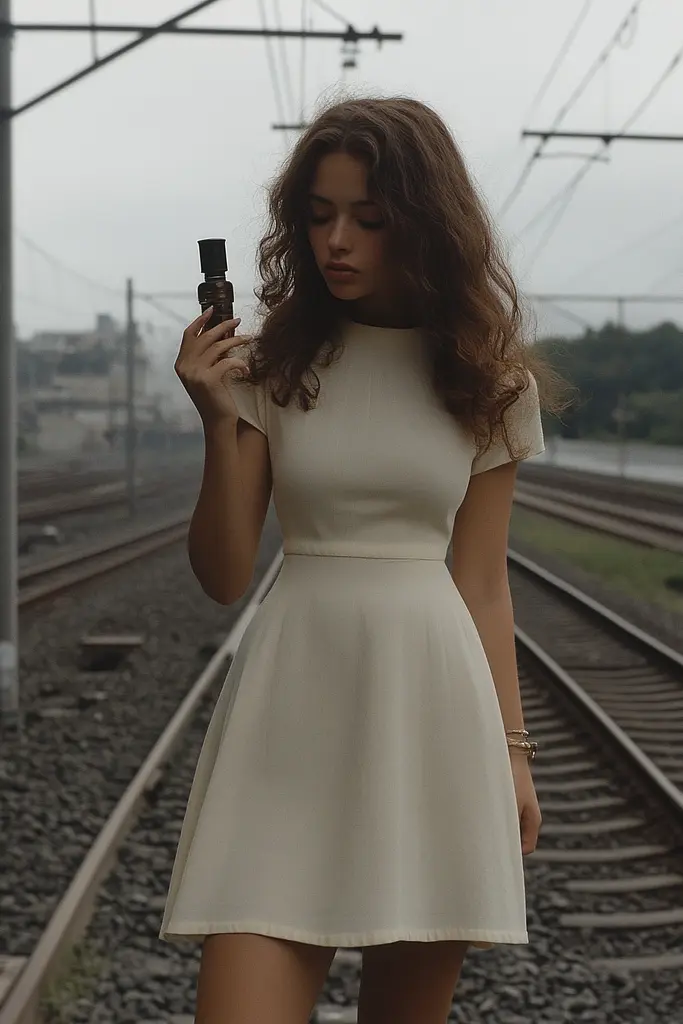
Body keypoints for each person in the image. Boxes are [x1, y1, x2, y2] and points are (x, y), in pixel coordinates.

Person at [163, 95, 559, 1024]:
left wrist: (513, 756)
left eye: (368, 219)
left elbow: (482, 583)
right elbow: (224, 576)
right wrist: (218, 423)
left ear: (423, 224)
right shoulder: (268, 368)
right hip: (289, 714)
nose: (337, 240)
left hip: (434, 721)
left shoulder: (490, 383)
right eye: (318, 214)